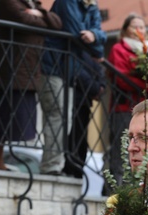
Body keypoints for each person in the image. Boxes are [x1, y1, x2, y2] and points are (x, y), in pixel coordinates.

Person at [0, 0, 62, 170]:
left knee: (3, 118)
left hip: (26, 70)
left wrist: (39, 13)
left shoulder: (33, 4)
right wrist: (41, 20)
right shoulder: (8, 2)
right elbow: (23, 19)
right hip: (10, 68)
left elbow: (57, 23)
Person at [37, 0, 105, 175]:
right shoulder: (67, 2)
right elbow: (76, 34)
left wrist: (94, 35)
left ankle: (54, 165)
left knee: (65, 118)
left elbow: (99, 36)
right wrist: (95, 43)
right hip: (52, 66)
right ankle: (50, 166)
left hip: (67, 70)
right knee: (57, 116)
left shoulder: (92, 6)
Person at [104, 14, 148, 193]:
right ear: (125, 30)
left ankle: (139, 189)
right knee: (122, 148)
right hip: (124, 106)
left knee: (144, 149)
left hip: (145, 109)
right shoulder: (119, 49)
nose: (139, 30)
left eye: (142, 27)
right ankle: (116, 190)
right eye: (134, 27)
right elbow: (122, 80)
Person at [63, 50, 106, 179]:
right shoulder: (75, 50)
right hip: (73, 99)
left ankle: (77, 170)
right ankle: (69, 169)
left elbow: (100, 72)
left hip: (84, 102)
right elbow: (77, 72)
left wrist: (100, 86)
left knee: (80, 141)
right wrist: (95, 88)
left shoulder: (91, 51)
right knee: (72, 138)